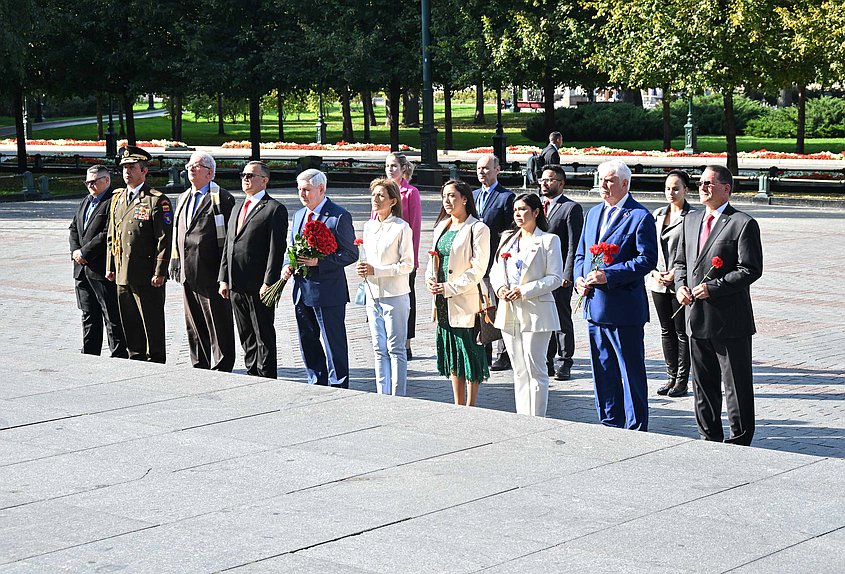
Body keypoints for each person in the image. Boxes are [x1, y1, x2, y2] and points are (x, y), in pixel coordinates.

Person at [675, 165, 763, 446]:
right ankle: (709, 436)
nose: (703, 188)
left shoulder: (742, 223)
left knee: (735, 385)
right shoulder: (690, 220)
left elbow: (750, 269)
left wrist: (712, 288)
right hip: (695, 318)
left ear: (726, 188)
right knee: (702, 386)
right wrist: (679, 287)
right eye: (700, 183)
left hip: (729, 321)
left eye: (709, 183)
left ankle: (739, 438)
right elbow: (680, 263)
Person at [574, 159, 657, 431]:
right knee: (602, 369)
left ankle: (636, 426)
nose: (603, 184)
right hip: (594, 307)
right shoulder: (593, 213)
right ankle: (609, 421)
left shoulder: (639, 216)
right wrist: (578, 278)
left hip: (623, 309)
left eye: (609, 180)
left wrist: (609, 275)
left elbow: (647, 259)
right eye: (600, 179)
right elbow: (581, 253)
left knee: (629, 370)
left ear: (625, 183)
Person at [490, 193, 563, 417]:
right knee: (519, 369)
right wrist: (501, 287)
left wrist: (523, 290)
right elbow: (495, 271)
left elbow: (555, 278)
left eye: (523, 209)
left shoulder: (548, 240)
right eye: (515, 210)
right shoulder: (507, 239)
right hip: (509, 310)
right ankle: (523, 416)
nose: (518, 214)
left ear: (536, 212)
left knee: (536, 367)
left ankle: (537, 418)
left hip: (537, 312)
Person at [282, 169, 357, 388]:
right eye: (299, 190)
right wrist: (288, 265)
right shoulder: (298, 215)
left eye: (306, 190)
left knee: (333, 341)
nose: (302, 194)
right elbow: (291, 248)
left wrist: (320, 262)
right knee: (308, 339)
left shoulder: (338, 216)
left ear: (321, 189)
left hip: (328, 291)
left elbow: (351, 253)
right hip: (301, 290)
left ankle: (338, 383)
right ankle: (315, 379)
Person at [218, 161, 288, 378]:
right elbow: (229, 244)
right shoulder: (238, 206)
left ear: (264, 180)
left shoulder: (274, 209)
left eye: (250, 175)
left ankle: (266, 375)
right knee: (245, 333)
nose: (245, 179)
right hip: (236, 282)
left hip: (259, 284)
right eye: (243, 175)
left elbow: (276, 250)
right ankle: (252, 371)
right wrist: (223, 278)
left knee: (263, 333)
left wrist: (269, 282)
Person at [170, 151, 237, 372]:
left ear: (210, 173)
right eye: (189, 165)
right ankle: (200, 362)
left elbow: (229, 239)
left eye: (197, 166)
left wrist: (224, 274)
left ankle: (222, 364)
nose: (191, 169)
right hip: (188, 272)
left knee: (217, 321)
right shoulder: (183, 197)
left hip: (212, 271)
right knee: (194, 322)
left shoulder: (222, 199)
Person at [106, 146, 172, 363]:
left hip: (146, 273)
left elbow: (164, 239)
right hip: (123, 271)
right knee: (130, 319)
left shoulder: (156, 200)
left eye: (132, 167)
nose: (127, 172)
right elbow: (112, 235)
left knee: (150, 320)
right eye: (124, 167)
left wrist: (160, 271)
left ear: (144, 171)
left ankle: (156, 358)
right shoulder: (117, 198)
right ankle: (136, 356)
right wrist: (110, 267)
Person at [427, 179, 490, 406]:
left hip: (465, 299)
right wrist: (430, 280)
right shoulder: (441, 227)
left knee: (470, 352)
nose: (447, 201)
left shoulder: (478, 228)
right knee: (452, 350)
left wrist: (449, 287)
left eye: (452, 196)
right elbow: (432, 260)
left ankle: (471, 405)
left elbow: (478, 268)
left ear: (465, 198)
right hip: (442, 300)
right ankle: (457, 403)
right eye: (444, 196)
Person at [358, 178, 414, 396]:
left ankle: (398, 395)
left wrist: (377, 270)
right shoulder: (369, 226)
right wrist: (363, 269)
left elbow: (407, 264)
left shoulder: (401, 227)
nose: (376, 199)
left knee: (395, 347)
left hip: (395, 294)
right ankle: (382, 393)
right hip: (372, 294)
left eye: (381, 195)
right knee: (378, 347)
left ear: (392, 201)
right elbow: (366, 258)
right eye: (374, 194)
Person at [69, 165, 127, 358]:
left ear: (107, 180)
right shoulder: (86, 201)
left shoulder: (113, 201)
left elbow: (108, 233)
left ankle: (118, 355)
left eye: (94, 181)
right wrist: (76, 251)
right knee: (88, 314)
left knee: (111, 316)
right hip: (81, 269)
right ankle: (89, 354)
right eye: (88, 182)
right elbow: (74, 228)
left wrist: (85, 252)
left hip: (101, 268)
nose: (90, 185)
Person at [647, 170, 694, 397]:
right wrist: (655, 272)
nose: (671, 192)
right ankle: (670, 376)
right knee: (666, 330)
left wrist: (677, 273)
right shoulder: (657, 215)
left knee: (682, 331)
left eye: (676, 188)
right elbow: (648, 249)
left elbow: (695, 252)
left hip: (680, 283)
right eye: (667, 188)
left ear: (686, 189)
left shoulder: (693, 217)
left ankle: (682, 381)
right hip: (658, 281)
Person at [539, 164, 583, 381]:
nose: (545, 183)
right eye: (542, 180)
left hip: (560, 275)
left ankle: (565, 361)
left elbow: (574, 245)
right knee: (545, 317)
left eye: (550, 180)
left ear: (561, 183)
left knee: (561, 318)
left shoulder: (571, 208)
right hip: (540, 275)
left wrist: (568, 274)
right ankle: (546, 360)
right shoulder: (538, 206)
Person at [473, 153, 515, 371]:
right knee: (481, 308)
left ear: (497, 170)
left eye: (486, 168)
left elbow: (511, 230)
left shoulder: (506, 197)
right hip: (475, 262)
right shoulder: (472, 195)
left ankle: (504, 353)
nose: (482, 172)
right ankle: (484, 350)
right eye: (479, 168)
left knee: (499, 308)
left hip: (496, 262)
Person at [384, 152, 421, 361]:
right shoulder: (380, 191)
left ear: (403, 168)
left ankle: (406, 342)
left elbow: (415, 227)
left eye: (394, 166)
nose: (390, 169)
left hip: (403, 255)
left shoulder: (410, 193)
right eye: (388, 166)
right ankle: (389, 339)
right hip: (384, 257)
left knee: (406, 299)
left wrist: (412, 259)